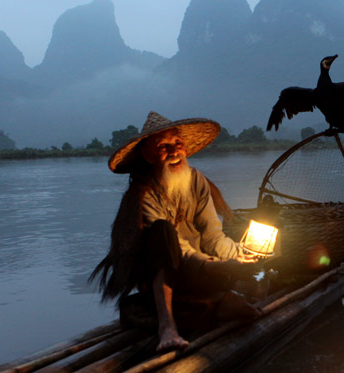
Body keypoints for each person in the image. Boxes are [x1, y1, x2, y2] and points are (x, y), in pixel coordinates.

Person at [92, 111, 260, 352]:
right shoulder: (143, 195)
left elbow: (213, 235)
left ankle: (221, 302)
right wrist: (216, 266)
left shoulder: (197, 181)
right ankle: (167, 326)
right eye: (163, 146)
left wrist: (240, 254)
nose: (173, 151)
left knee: (245, 264)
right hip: (162, 277)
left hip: (200, 269)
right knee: (163, 231)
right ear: (148, 155)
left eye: (177, 144)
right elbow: (178, 250)